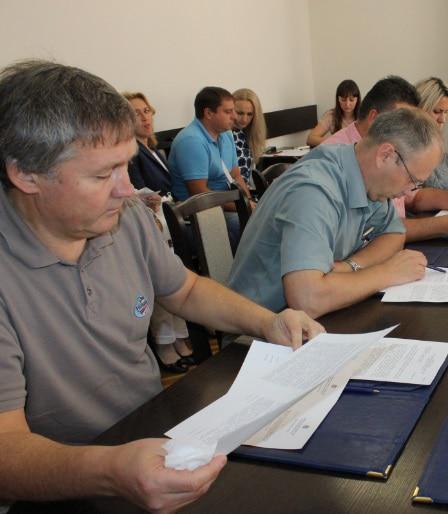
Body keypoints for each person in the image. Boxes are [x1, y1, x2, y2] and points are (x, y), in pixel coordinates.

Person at [0, 60, 324, 512]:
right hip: (68, 482)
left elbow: (185, 290)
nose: (126, 190)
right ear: (25, 174)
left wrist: (267, 322)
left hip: (156, 433)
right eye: (102, 175)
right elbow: (7, 452)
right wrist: (111, 471)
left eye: (126, 166)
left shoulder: (124, 217)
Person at [229, 108, 445, 319]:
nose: (409, 191)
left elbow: (394, 234)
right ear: (386, 155)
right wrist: (388, 273)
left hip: (308, 319)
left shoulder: (368, 179)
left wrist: (352, 266)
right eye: (412, 180)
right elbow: (307, 299)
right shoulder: (314, 189)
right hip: (258, 328)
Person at [323, 76, 448, 242]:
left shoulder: (395, 147)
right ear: (375, 118)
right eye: (401, 122)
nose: (410, 130)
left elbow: (413, 197)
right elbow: (376, 232)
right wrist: (445, 225)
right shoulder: (334, 161)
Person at [124, 91, 194, 373]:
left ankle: (180, 336)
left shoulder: (152, 148)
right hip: (149, 222)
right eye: (135, 113)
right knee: (161, 279)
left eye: (146, 111)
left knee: (176, 277)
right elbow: (135, 192)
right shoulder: (131, 152)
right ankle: (165, 341)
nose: (144, 117)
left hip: (166, 218)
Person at [168, 86, 252, 251]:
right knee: (249, 225)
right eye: (228, 112)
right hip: (199, 212)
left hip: (227, 203)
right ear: (208, 113)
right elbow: (200, 195)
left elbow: (236, 176)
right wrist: (244, 207)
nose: (234, 117)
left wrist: (248, 201)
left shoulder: (226, 134)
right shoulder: (191, 141)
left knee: (264, 217)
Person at [307, 79, 361, 147]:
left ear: (357, 100)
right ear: (338, 99)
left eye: (351, 100)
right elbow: (310, 139)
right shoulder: (331, 115)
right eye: (343, 100)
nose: (347, 104)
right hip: (338, 152)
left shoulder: (364, 116)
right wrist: (334, 141)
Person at [232, 88, 267, 187]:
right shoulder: (225, 135)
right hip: (232, 192)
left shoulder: (247, 134)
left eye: (250, 114)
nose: (244, 119)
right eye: (240, 113)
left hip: (246, 190)